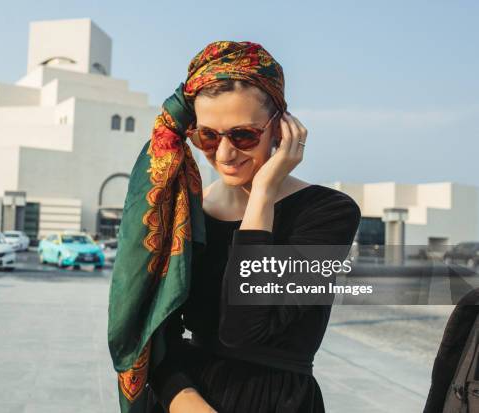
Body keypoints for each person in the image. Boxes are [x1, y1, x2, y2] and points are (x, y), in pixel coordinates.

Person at [108, 41, 361, 413]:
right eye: (208, 136)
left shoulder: (329, 213)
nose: (224, 155)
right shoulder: (187, 213)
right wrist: (185, 400)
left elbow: (244, 331)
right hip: (185, 399)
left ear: (281, 129)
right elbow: (158, 337)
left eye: (243, 135)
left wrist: (261, 195)